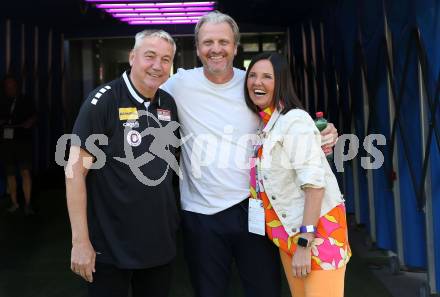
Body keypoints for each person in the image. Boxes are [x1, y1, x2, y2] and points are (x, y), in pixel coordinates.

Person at [161, 11, 339, 297]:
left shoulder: (253, 85)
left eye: (223, 41)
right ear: (196, 48)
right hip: (200, 213)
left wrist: (322, 131)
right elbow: (137, 90)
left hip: (255, 207)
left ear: (235, 46)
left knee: (265, 290)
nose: (215, 49)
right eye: (208, 42)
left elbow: (290, 120)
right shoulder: (179, 85)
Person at [66, 30, 180, 297]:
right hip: (109, 246)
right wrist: (80, 242)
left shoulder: (167, 104)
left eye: (165, 59)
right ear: (132, 57)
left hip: (158, 245)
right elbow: (74, 173)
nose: (157, 66)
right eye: (149, 56)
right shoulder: (103, 101)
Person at [244, 52, 350, 297]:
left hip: (316, 236)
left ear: (280, 82)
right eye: (253, 76)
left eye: (267, 77)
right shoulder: (267, 123)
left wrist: (305, 242)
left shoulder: (294, 120)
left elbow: (314, 185)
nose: (257, 82)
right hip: (288, 234)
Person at [0, 75, 37, 215]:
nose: (10, 88)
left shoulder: (25, 100)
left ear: (17, 86)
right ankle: (14, 203)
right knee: (10, 173)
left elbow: (34, 115)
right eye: (8, 86)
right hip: (7, 142)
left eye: (12, 85)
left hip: (23, 141)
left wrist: (30, 122)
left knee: (25, 171)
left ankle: (27, 204)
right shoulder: (2, 100)